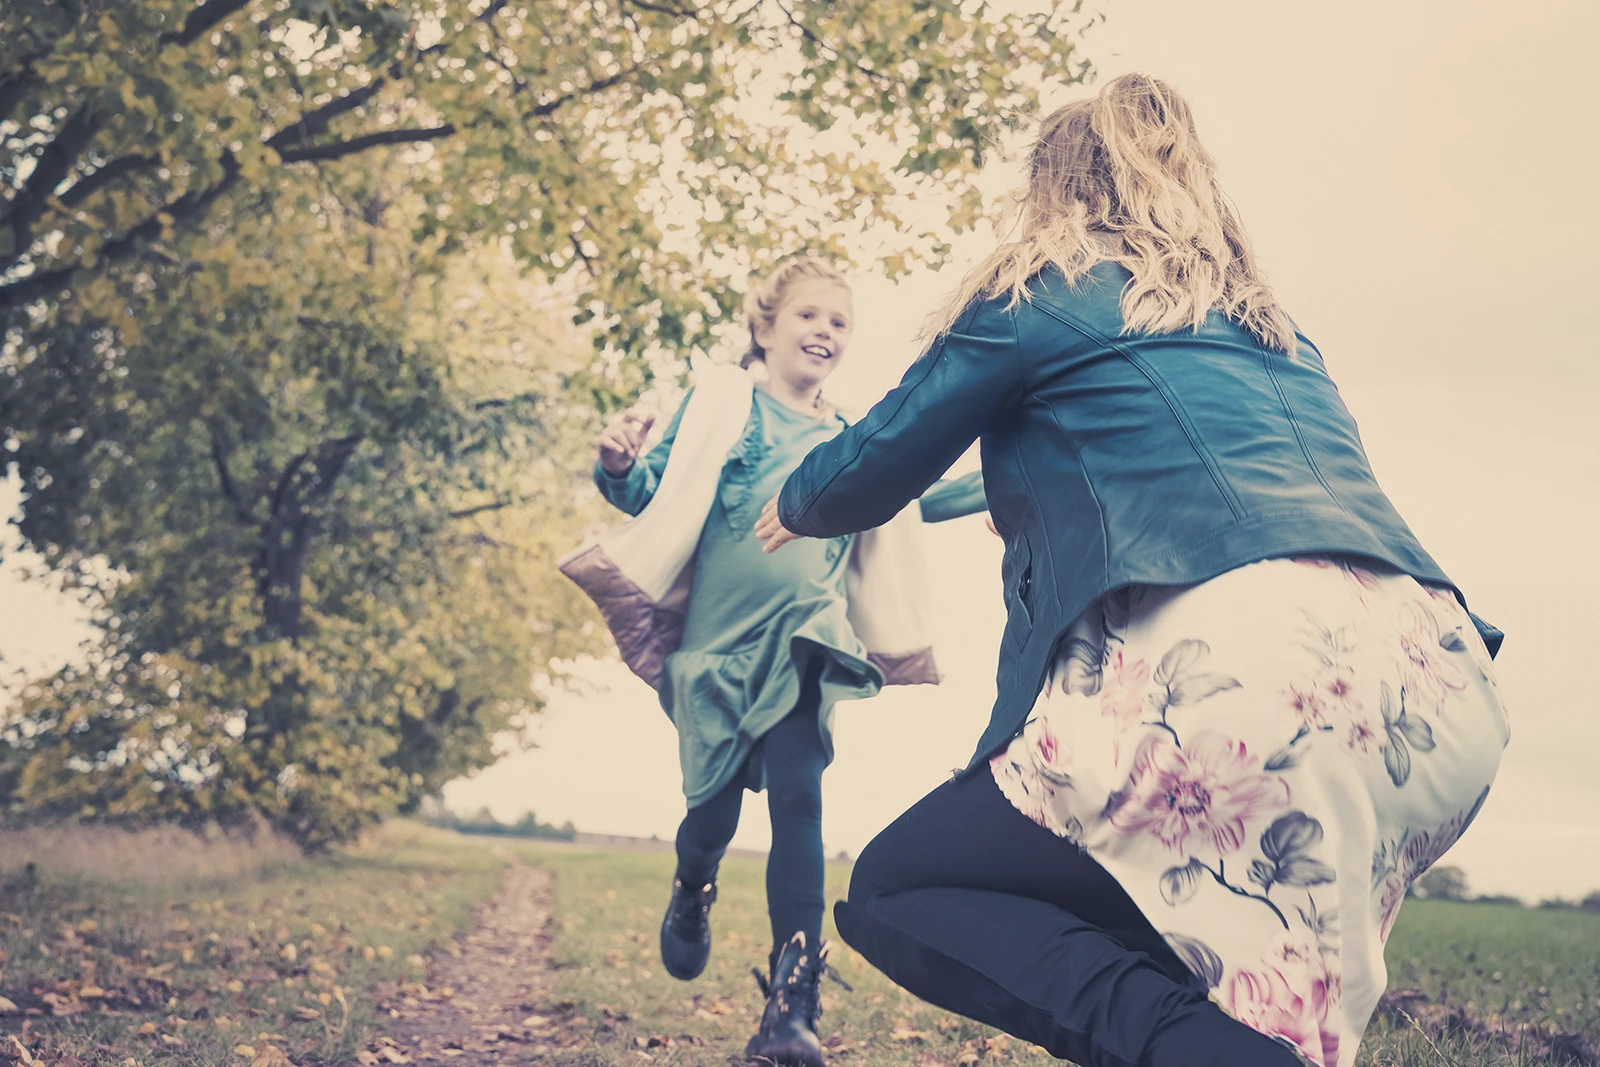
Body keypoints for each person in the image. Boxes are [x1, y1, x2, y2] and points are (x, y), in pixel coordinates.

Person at [755, 74, 1508, 1067]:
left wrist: (794, 497)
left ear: (1051, 188)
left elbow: (866, 469)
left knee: (901, 884)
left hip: (1240, 664)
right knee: (1148, 916)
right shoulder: (1276, 332)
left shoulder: (1037, 292)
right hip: (1439, 685)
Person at [573, 257, 985, 1067]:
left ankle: (792, 1007)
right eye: (809, 315)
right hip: (715, 654)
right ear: (764, 328)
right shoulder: (725, 407)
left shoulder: (848, 437)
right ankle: (694, 884)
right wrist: (618, 464)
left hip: (806, 638)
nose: (825, 331)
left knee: (800, 795)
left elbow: (913, 496)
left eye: (840, 321)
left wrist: (1007, 472)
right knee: (713, 816)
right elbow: (646, 489)